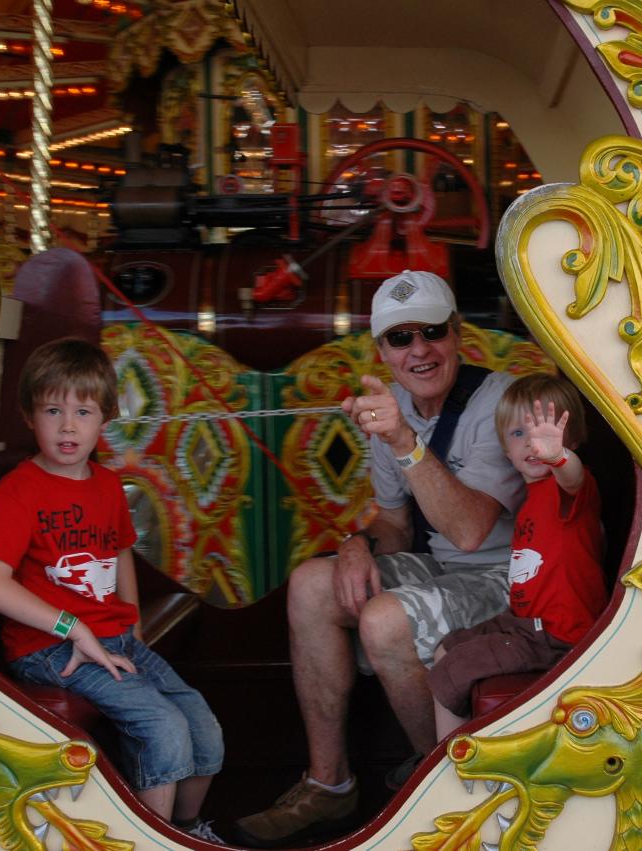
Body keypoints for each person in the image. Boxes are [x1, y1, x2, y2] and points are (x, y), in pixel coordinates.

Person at [232, 270, 525, 848]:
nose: (418, 349)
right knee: (313, 583)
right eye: (400, 338)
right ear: (382, 352)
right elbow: (392, 522)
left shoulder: (501, 400)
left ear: (457, 333)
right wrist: (354, 546)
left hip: (508, 575)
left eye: (432, 332)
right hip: (443, 570)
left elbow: (469, 533)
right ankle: (330, 784)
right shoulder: (391, 410)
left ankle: (437, 785)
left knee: (384, 618)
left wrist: (404, 443)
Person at [0, 338, 224, 844]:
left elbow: (119, 551)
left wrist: (134, 626)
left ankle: (190, 830)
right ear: (28, 415)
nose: (67, 426)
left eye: (83, 411)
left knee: (203, 727)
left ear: (103, 418)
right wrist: (73, 626)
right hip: (50, 647)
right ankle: (157, 838)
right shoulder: (18, 491)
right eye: (53, 410)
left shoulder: (105, 484)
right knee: (164, 728)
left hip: (114, 639)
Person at [427, 375, 606, 740]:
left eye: (547, 432)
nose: (533, 444)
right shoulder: (529, 500)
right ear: (505, 450)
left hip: (560, 635)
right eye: (519, 434)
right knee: (445, 648)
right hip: (526, 623)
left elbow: (571, 476)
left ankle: (449, 767)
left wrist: (559, 457)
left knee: (452, 670)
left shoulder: (569, 488)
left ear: (571, 437)